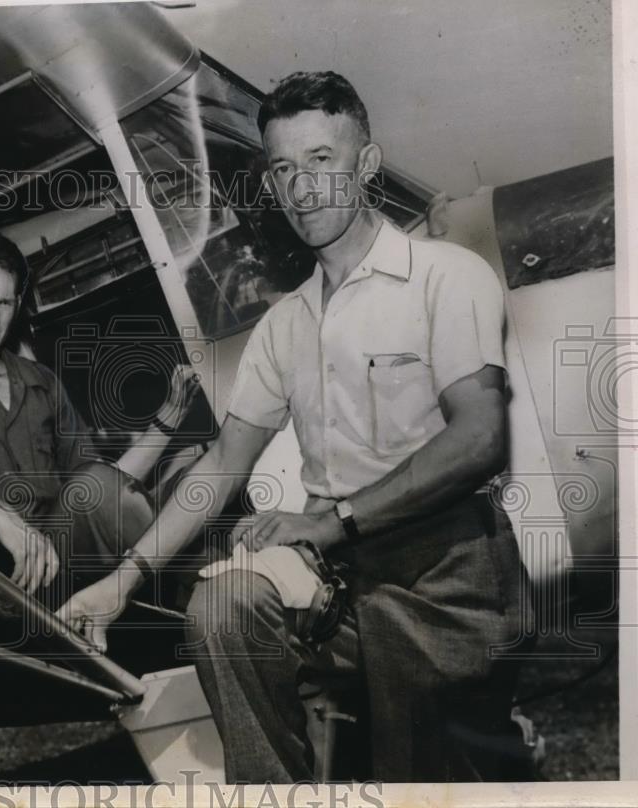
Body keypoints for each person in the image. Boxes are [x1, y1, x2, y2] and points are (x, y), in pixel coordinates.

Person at [57, 71, 532, 782]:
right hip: (341, 583)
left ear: (365, 164)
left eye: (321, 160)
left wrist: (331, 520)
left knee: (428, 781)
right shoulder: (285, 325)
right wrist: (120, 582)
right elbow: (220, 467)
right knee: (222, 609)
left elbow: (478, 440)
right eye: (284, 168)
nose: (303, 187)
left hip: (447, 573)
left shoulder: (446, 277)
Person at [0, 228, 196, 598]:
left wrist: (167, 421)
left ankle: (200, 591)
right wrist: (1, 516)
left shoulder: (41, 381)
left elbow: (106, 487)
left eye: (4, 303)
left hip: (62, 560)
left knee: (128, 483)